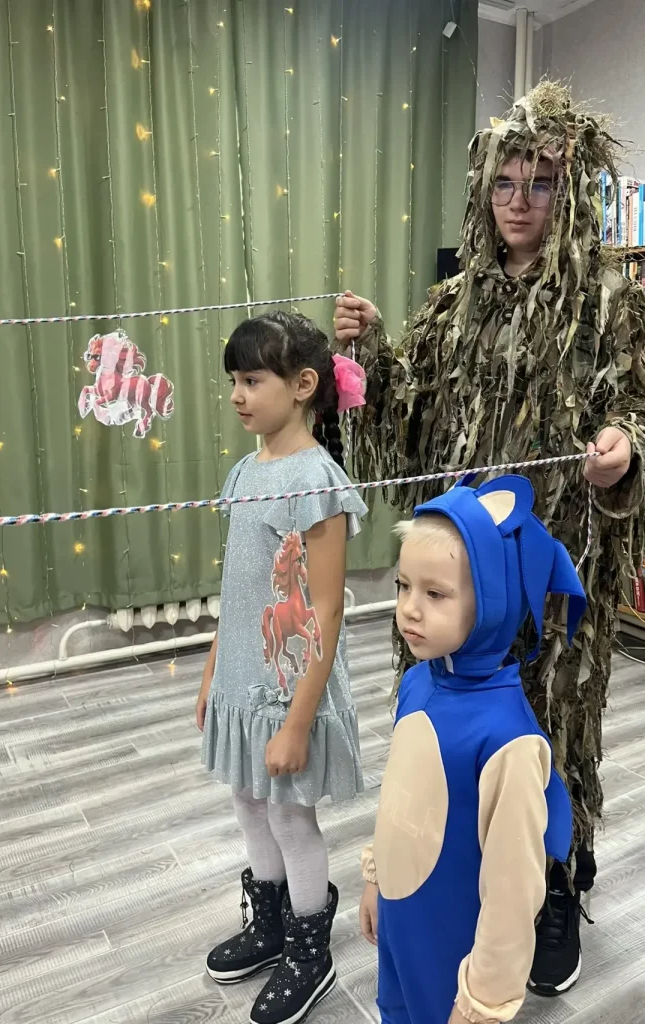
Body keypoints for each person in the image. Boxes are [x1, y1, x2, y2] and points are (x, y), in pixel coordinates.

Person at [336, 81, 645, 995]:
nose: (519, 201)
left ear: (570, 193)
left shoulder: (610, 304)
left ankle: (557, 882)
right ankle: (461, 871)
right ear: (484, 189)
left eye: (541, 182)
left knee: (552, 725)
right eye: (505, 182)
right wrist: (371, 354)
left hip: (552, 574)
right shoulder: (453, 307)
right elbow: (405, 429)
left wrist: (624, 452)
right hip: (459, 581)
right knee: (455, 725)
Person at [358, 473, 586, 1024]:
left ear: (492, 603)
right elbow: (399, 798)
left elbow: (514, 894)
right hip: (402, 923)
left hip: (452, 950)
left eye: (435, 594)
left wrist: (483, 1002)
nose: (410, 609)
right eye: (403, 586)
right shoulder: (418, 683)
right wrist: (375, 877)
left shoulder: (508, 740)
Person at [195, 311, 368, 1024]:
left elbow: (325, 608)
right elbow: (238, 589)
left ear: (301, 385)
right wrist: (213, 673)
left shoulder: (317, 480)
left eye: (252, 380)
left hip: (288, 684)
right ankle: (269, 925)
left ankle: (309, 951)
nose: (238, 395)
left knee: (290, 815)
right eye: (233, 381)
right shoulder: (245, 469)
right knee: (246, 798)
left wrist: (298, 721)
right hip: (241, 677)